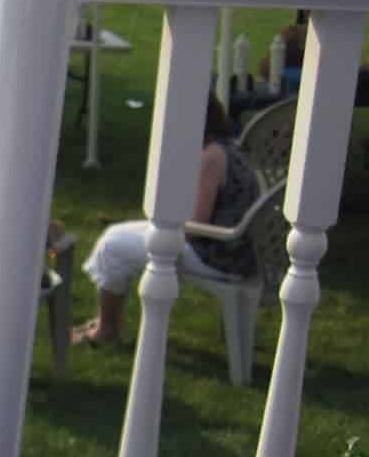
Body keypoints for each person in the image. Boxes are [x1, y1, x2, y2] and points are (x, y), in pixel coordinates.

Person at [70, 94, 259, 347]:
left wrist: (166, 219)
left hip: (216, 254)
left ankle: (107, 330)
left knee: (113, 246)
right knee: (116, 232)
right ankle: (104, 320)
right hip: (237, 252)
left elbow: (195, 225)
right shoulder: (230, 147)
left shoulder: (211, 157)